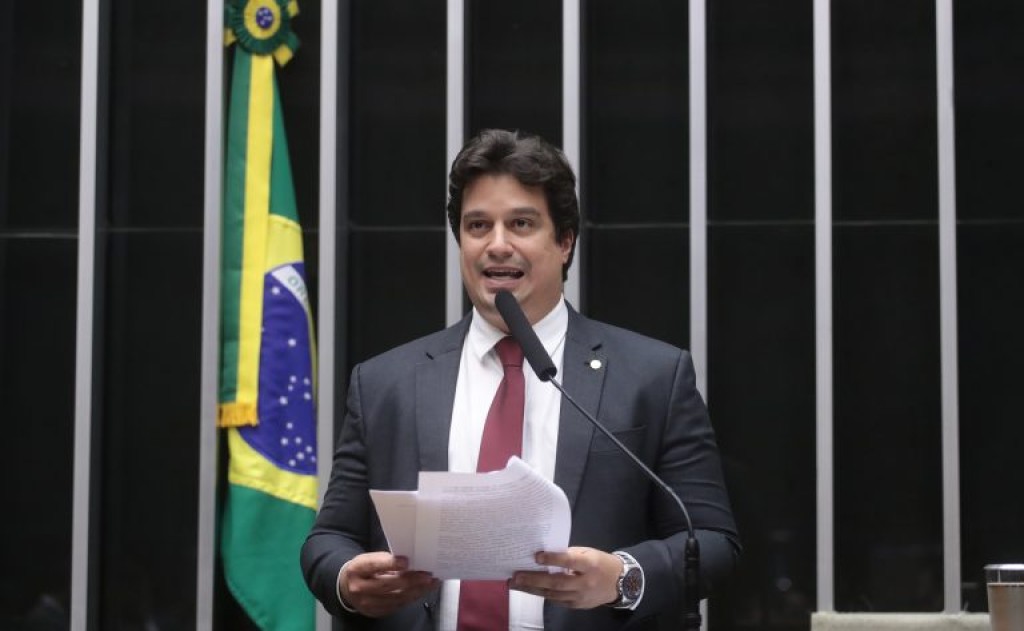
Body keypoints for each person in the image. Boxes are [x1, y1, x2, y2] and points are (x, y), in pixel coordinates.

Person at [301, 129, 740, 630]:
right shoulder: (385, 383)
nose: (497, 245)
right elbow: (328, 540)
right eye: (477, 226)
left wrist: (622, 577)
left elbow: (711, 542)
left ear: (565, 241)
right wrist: (349, 581)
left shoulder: (652, 377)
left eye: (521, 224)